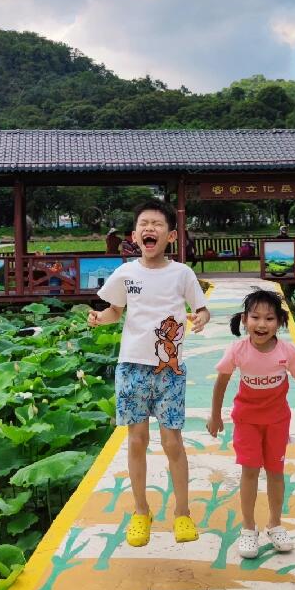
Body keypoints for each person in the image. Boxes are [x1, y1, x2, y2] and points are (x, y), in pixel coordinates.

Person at [87, 199, 211, 548]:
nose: (149, 229)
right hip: (131, 367)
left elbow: (201, 309)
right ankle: (141, 511)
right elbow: (114, 311)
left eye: (157, 224)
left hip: (169, 370)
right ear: (134, 235)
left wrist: (201, 317)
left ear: (171, 235)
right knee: (137, 441)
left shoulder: (182, 274)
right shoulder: (126, 273)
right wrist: (99, 318)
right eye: (144, 223)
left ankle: (182, 513)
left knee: (173, 442)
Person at [207, 289, 295, 559]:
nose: (261, 324)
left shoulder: (287, 351)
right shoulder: (237, 350)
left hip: (277, 421)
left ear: (280, 322)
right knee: (249, 471)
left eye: (269, 318)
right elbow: (221, 382)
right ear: (244, 320)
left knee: (275, 472)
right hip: (246, 420)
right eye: (255, 317)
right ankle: (248, 529)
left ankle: (275, 524)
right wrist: (215, 416)